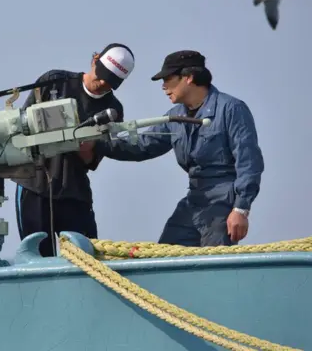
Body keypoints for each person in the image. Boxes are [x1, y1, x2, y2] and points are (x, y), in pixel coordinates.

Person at [94, 50, 264, 247]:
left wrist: (240, 210)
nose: (163, 86)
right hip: (193, 201)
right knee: (164, 256)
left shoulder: (232, 109)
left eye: (168, 78)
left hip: (223, 203)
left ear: (189, 78)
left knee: (214, 267)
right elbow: (142, 145)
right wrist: (96, 142)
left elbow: (249, 162)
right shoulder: (174, 116)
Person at [12, 43, 136, 257]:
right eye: (102, 74)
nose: (103, 83)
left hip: (74, 190)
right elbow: (21, 126)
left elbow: (92, 161)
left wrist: (84, 144)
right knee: (36, 255)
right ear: (94, 60)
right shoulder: (54, 81)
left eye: (111, 82)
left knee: (87, 256)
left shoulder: (113, 110)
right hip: (35, 185)